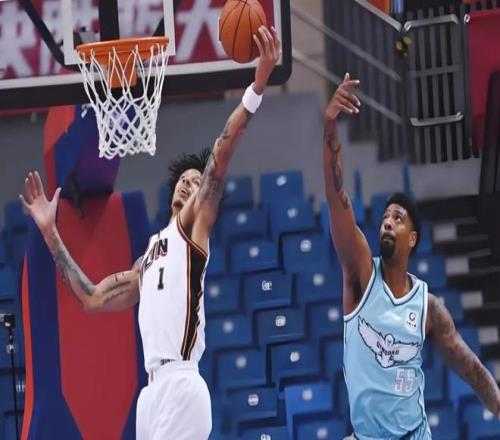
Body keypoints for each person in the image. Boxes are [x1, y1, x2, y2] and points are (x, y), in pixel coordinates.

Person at [19, 26, 281, 440]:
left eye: (196, 182)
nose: (189, 184)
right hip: (152, 393)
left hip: (181, 383)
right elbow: (92, 298)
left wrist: (258, 86)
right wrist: (52, 234)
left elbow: (221, 153)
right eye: (184, 180)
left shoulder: (192, 233)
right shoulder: (149, 257)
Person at [322, 73, 500, 439]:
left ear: (413, 239)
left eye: (398, 218)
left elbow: (468, 365)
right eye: (385, 217)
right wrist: (329, 127)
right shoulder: (360, 275)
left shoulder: (428, 307)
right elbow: (337, 198)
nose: (388, 222)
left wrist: (498, 405)